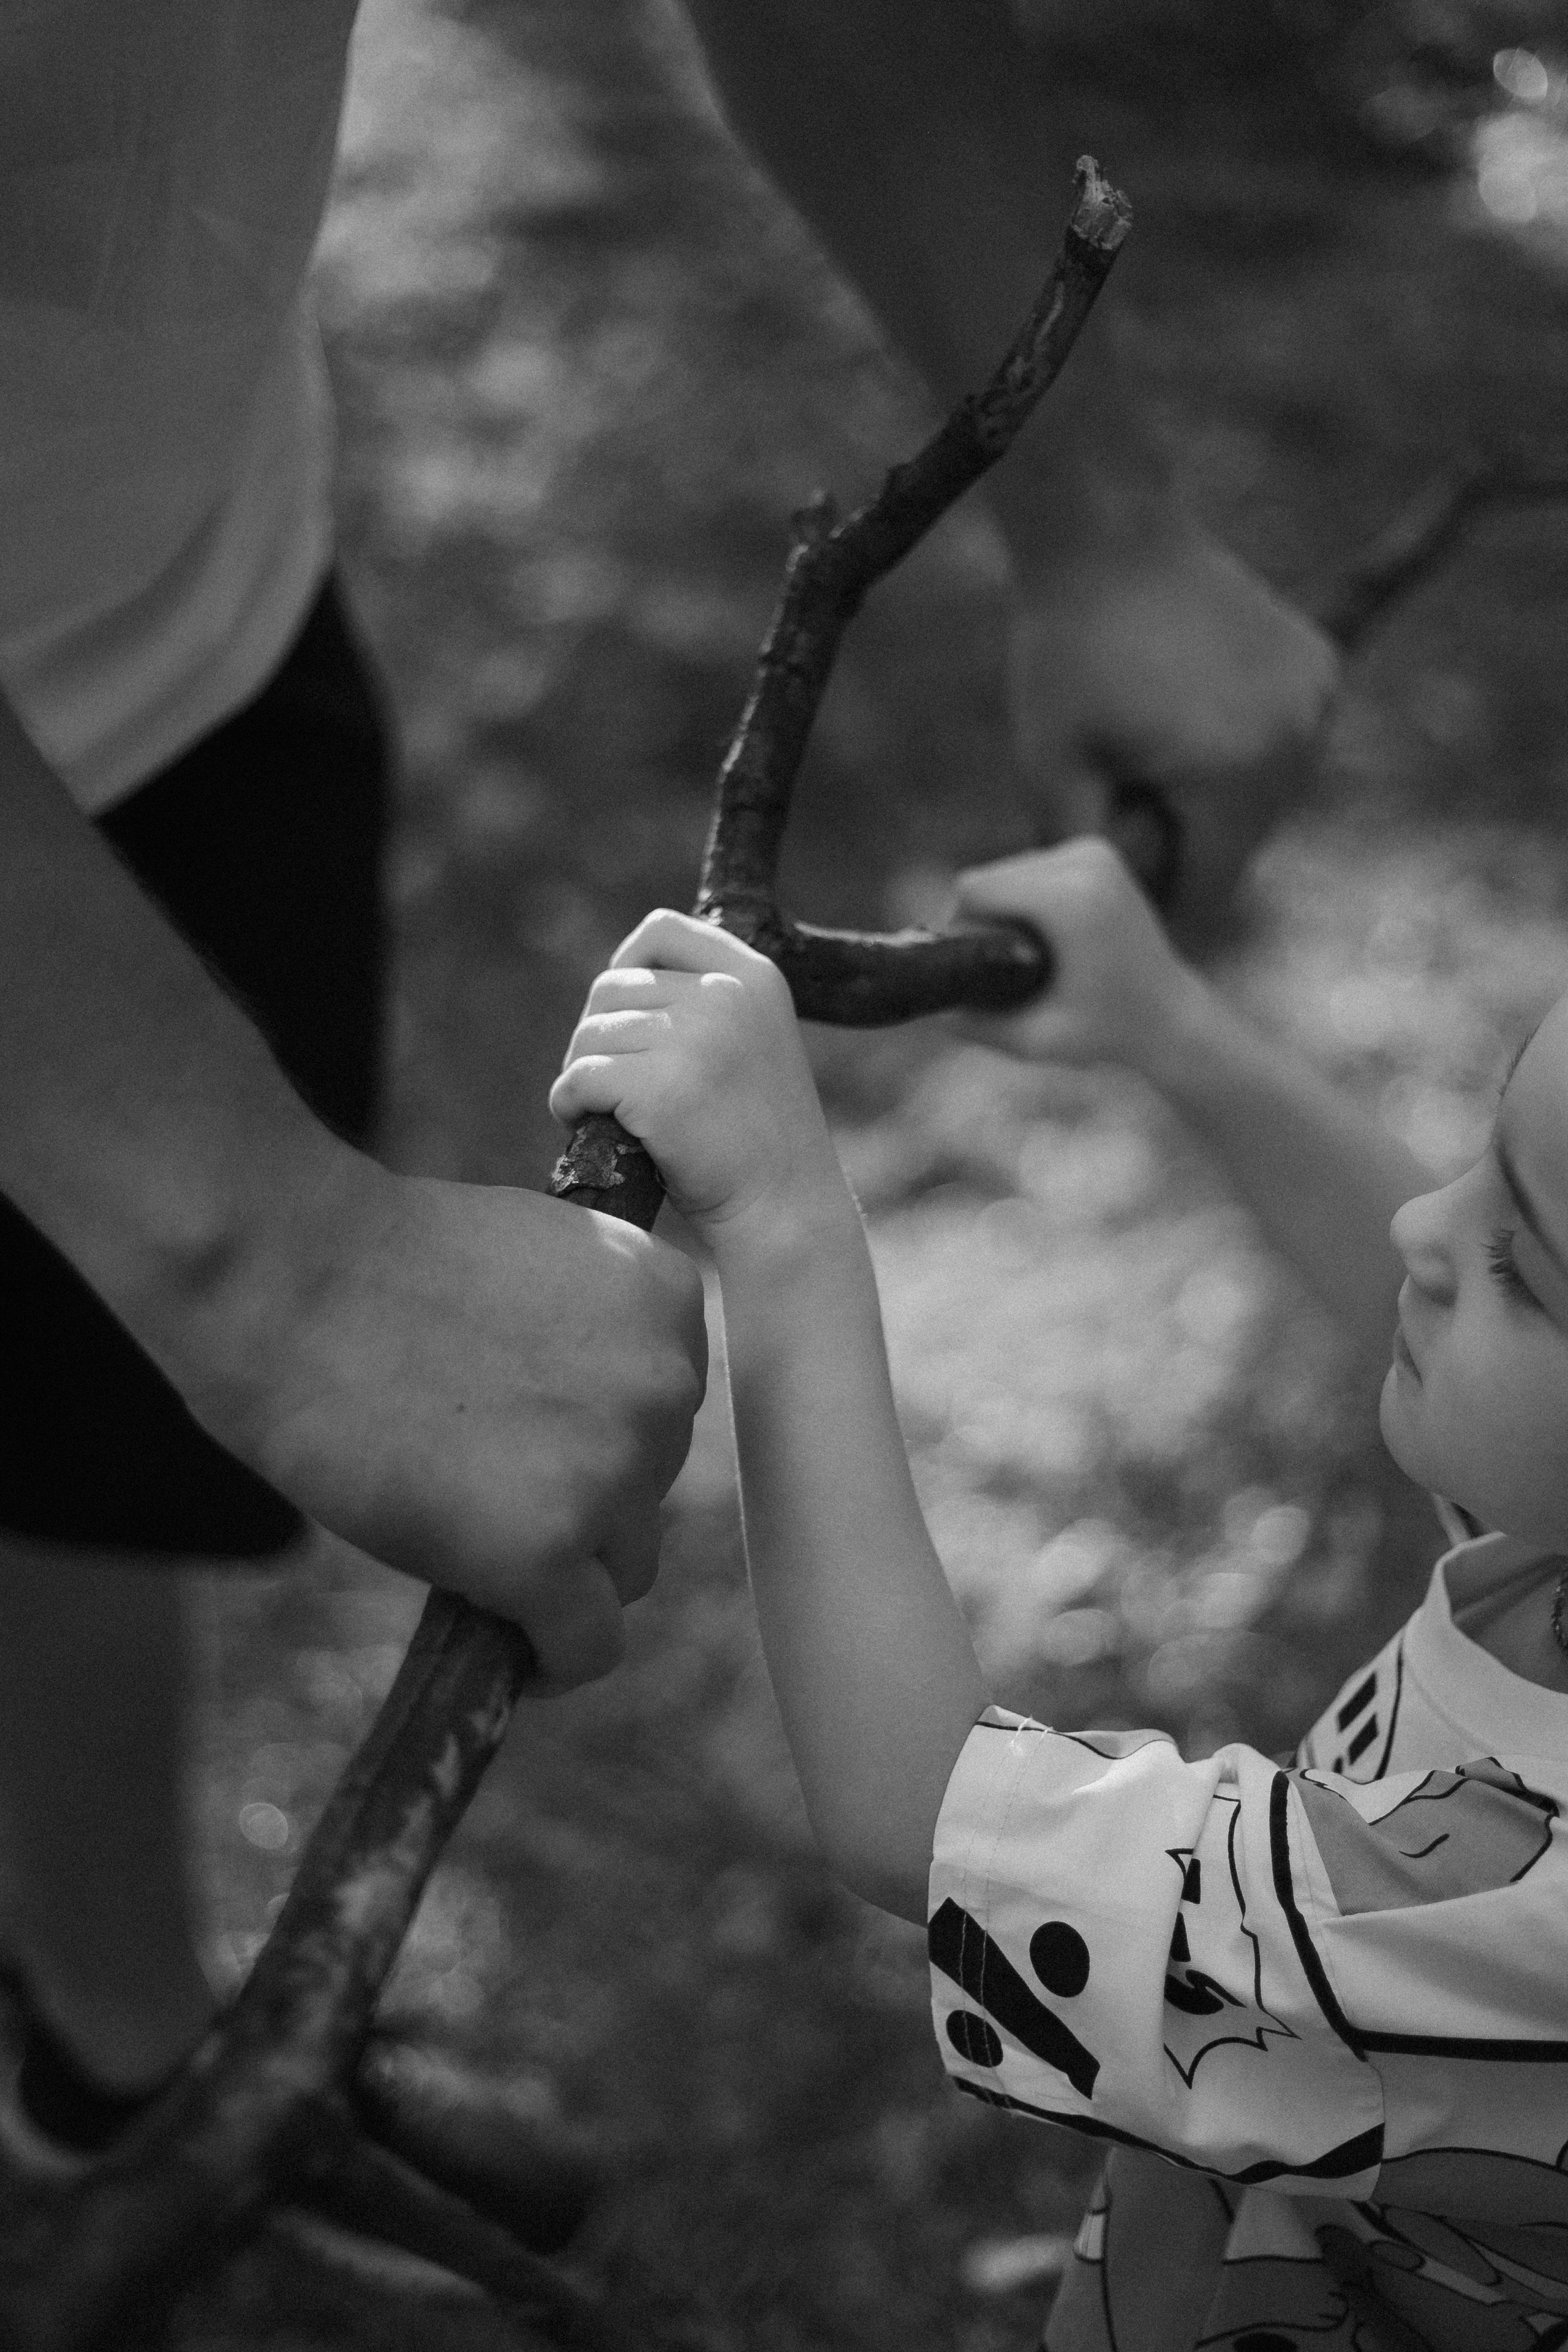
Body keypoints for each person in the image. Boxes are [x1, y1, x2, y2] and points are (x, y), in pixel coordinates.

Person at [0, 0, 1330, 2168]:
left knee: (71, 1438)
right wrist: (275, 1262)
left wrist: (1107, 528)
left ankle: (115, 2054)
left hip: (172, 624)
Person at [551, 840, 1568, 2352]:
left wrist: (780, 1225)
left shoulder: (1507, 1909)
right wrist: (1174, 1030)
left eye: (1527, 1272)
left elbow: (919, 1812)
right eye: (1482, 1156)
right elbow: (1415, 1303)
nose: (1426, 1229)